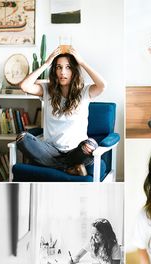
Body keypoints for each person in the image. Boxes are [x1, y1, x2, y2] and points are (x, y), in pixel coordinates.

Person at [17, 46, 106, 175]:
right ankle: (69, 168)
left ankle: (60, 166)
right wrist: (47, 63)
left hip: (76, 151)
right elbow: (24, 86)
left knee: (90, 145)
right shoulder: (46, 90)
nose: (62, 72)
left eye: (68, 67)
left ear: (74, 70)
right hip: (51, 151)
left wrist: (82, 62)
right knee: (22, 138)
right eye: (58, 67)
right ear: (54, 70)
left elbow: (103, 85)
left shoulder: (85, 91)